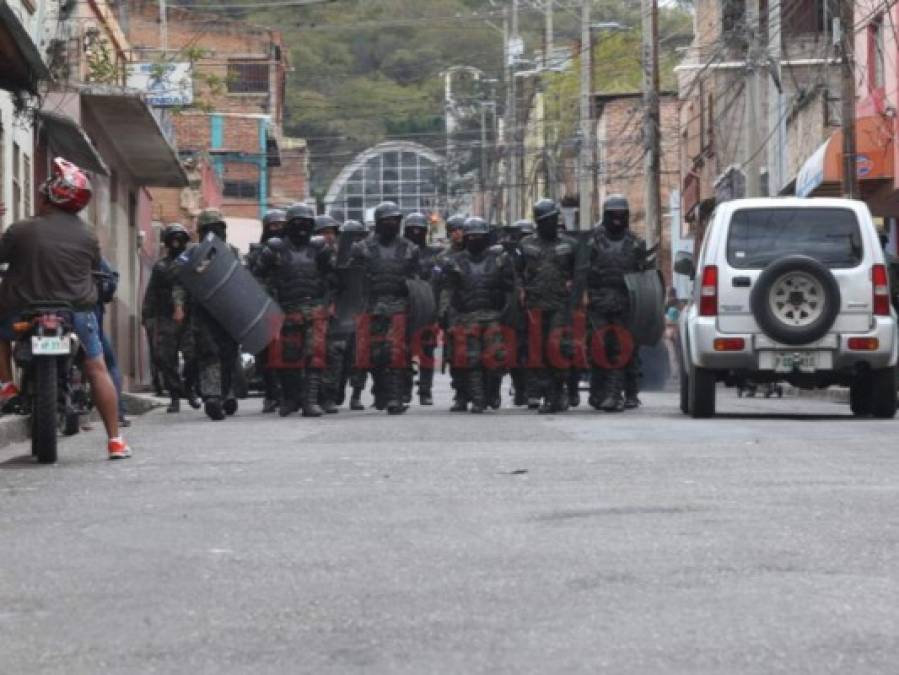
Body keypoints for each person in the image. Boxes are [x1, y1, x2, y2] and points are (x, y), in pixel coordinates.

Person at [0, 158, 130, 459]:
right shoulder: (88, 236)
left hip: (23, 312)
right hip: (76, 314)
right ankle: (115, 440)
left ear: (50, 195)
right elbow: (96, 268)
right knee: (97, 369)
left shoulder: (20, 230)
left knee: (1, 334)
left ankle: (7, 384)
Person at [256, 202, 335, 417]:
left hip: (315, 308)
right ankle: (291, 398)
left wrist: (330, 302)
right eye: (297, 223)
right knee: (287, 357)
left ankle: (310, 401)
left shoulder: (319, 248)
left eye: (306, 223)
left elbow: (333, 276)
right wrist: (268, 301)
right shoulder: (274, 249)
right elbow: (258, 276)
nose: (301, 227)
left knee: (315, 354)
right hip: (285, 310)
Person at [349, 201, 420, 415]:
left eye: (395, 220)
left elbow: (417, 281)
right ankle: (380, 391)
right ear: (378, 223)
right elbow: (352, 281)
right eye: (387, 220)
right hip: (371, 306)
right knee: (375, 354)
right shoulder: (362, 248)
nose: (391, 224)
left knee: (396, 352)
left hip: (399, 306)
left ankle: (395, 398)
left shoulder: (410, 248)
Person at [584, 194, 649, 412]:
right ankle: (598, 391)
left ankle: (615, 395)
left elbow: (646, 278)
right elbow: (580, 273)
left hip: (624, 302)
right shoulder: (592, 242)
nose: (618, 219)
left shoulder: (636, 244)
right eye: (614, 215)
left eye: (622, 215)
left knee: (620, 349)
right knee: (598, 348)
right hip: (598, 302)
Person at [443, 217, 515, 413]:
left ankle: (492, 392)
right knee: (471, 359)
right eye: (471, 236)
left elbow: (510, 289)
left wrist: (508, 315)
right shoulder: (453, 261)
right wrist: (448, 319)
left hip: (493, 316)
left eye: (479, 236)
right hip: (466, 317)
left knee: (496, 359)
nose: (475, 239)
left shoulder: (499, 260)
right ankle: (477, 398)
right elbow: (448, 293)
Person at [519, 199, 578, 414]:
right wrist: (520, 291)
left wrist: (576, 291)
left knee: (558, 348)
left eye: (553, 219)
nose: (550, 223)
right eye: (546, 220)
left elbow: (579, 274)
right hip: (535, 306)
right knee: (539, 351)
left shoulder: (569, 245)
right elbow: (516, 273)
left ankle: (558, 393)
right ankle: (548, 394)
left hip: (560, 305)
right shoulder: (526, 245)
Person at [190, 208, 241, 421]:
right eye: (209, 229)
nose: (213, 233)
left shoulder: (233, 252)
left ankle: (227, 392)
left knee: (228, 353)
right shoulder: (193, 253)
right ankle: (212, 396)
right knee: (209, 352)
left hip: (229, 311)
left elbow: (242, 281)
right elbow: (183, 281)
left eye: (217, 229)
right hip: (203, 312)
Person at [143, 223, 199, 414]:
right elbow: (151, 293)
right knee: (166, 359)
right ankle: (175, 396)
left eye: (180, 239)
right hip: (166, 317)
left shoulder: (193, 262)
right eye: (172, 239)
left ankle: (189, 388)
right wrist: (148, 317)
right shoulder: (160, 267)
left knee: (192, 356)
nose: (176, 243)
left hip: (190, 317)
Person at [247, 208, 287, 413]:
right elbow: (251, 279)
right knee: (268, 355)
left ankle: (290, 394)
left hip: (290, 305)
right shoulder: (258, 252)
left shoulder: (293, 250)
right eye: (274, 225)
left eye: (282, 225)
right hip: (266, 308)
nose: (278, 229)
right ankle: (271, 394)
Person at [402, 212, 441, 406]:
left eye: (420, 230)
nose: (416, 234)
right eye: (412, 231)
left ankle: (425, 391)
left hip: (429, 308)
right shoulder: (400, 253)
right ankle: (405, 390)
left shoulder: (435, 254)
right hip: (406, 309)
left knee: (427, 351)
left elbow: (440, 283)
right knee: (404, 351)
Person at [436, 214, 468, 411]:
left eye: (461, 229)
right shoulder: (443, 258)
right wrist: (441, 312)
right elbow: (439, 286)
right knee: (455, 353)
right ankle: (460, 393)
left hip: (476, 307)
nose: (458, 233)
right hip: (453, 310)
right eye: (454, 230)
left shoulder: (481, 253)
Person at [338, 219, 370, 411]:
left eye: (359, 237)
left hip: (362, 313)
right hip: (338, 315)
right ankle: (337, 392)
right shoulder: (332, 257)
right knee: (337, 361)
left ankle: (356, 394)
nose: (354, 242)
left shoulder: (369, 256)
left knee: (360, 358)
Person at [94, 258, 131, 427]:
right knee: (108, 364)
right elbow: (109, 280)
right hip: (84, 318)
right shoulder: (85, 245)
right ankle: (117, 413)